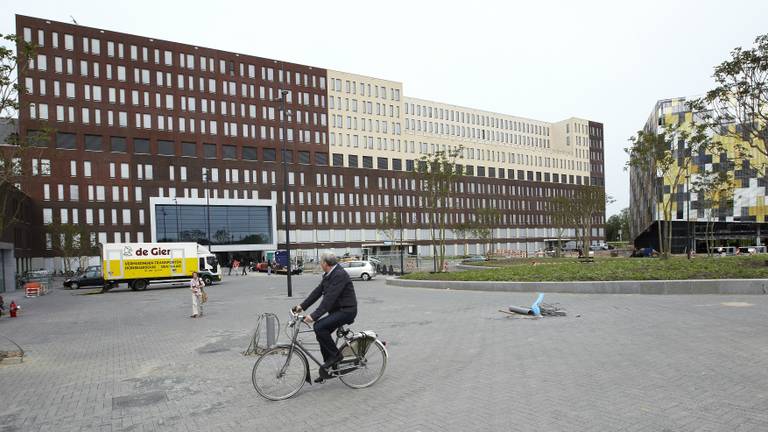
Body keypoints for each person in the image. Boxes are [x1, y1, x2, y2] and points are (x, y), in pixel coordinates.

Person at [293, 252, 357, 383]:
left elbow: (329, 300)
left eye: (321, 262)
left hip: (347, 311)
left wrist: (313, 316)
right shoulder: (329, 275)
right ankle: (328, 368)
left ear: (325, 264)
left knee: (319, 326)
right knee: (321, 332)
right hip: (338, 310)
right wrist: (302, 306)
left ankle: (336, 356)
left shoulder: (339, 275)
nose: (320, 264)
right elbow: (317, 292)